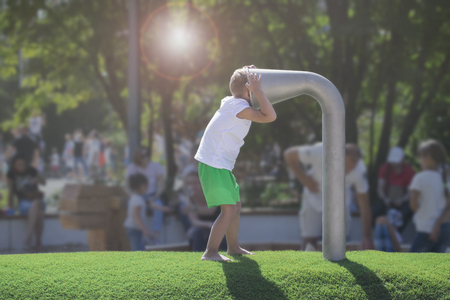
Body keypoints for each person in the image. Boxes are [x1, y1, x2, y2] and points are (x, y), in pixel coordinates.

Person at [194, 65, 277, 261]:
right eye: (255, 88)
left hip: (219, 164)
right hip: (214, 164)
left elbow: (239, 88)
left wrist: (248, 75)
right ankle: (211, 252)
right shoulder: (239, 107)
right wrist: (257, 90)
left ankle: (233, 248)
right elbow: (270, 116)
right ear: (248, 91)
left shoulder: (232, 102)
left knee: (235, 206)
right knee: (229, 209)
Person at [284, 143, 374, 251]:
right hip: (313, 196)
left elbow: (364, 205)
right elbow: (289, 155)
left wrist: (367, 237)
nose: (347, 172)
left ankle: (338, 266)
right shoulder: (320, 151)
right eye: (345, 168)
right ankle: (305, 267)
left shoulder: (359, 171)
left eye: (351, 170)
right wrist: (304, 179)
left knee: (340, 241)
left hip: (340, 201)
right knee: (309, 241)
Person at [409, 140, 450, 253]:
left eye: (421, 157)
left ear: (429, 158)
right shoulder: (445, 179)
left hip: (425, 231)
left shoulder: (419, 178)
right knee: (436, 268)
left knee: (411, 267)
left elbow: (413, 205)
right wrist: (438, 223)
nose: (419, 161)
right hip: (444, 230)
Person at [125, 147, 172, 245]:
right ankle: (144, 236)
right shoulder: (132, 167)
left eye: (147, 155)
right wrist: (134, 196)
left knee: (158, 207)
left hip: (152, 196)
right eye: (143, 156)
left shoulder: (156, 165)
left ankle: (156, 237)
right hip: (137, 197)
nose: (146, 158)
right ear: (138, 158)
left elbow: (162, 184)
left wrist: (155, 197)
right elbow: (126, 186)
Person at [373, 147, 415, 252]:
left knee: (404, 213)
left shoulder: (409, 171)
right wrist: (385, 199)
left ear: (402, 159)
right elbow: (380, 188)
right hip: (387, 200)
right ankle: (378, 236)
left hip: (403, 202)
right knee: (374, 211)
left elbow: (411, 192)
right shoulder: (385, 168)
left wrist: (402, 200)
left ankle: (396, 238)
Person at [6, 155, 46, 252]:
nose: (22, 166)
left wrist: (38, 178)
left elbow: (44, 183)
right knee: (39, 214)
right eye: (19, 165)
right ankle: (38, 243)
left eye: (23, 164)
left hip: (38, 200)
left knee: (37, 203)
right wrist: (10, 207)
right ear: (14, 165)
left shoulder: (31, 170)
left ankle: (29, 236)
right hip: (23, 202)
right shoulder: (11, 174)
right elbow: (11, 191)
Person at [183, 170, 227, 252]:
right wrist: (209, 225)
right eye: (190, 184)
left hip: (218, 228)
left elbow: (210, 211)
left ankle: (231, 257)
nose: (193, 186)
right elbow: (194, 222)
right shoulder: (190, 199)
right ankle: (198, 260)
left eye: (195, 183)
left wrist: (193, 208)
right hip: (202, 229)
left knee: (221, 233)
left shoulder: (213, 195)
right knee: (196, 232)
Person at [124, 173, 152, 251]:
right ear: (143, 186)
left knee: (140, 249)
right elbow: (136, 216)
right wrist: (144, 229)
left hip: (135, 229)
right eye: (147, 186)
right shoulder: (138, 200)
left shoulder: (135, 197)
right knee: (137, 250)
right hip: (134, 230)